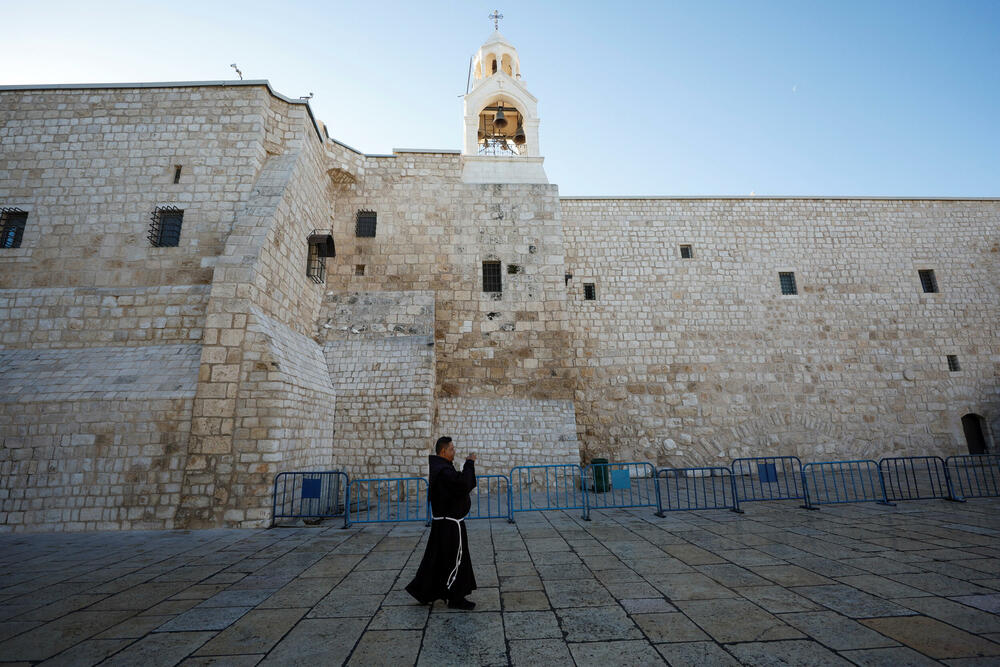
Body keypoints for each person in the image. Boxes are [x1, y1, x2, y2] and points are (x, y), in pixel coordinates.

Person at [405, 436, 478, 609]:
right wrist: (469, 464)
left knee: (437, 558)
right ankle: (456, 597)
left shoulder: (442, 468)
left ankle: (423, 590)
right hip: (451, 525)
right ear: (443, 451)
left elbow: (455, 485)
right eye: (452, 449)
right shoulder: (444, 471)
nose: (454, 452)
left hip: (443, 524)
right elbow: (462, 485)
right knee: (456, 560)